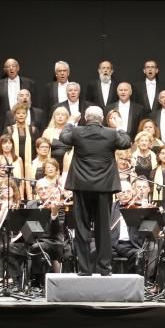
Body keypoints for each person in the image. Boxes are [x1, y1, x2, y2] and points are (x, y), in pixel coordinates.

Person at [59, 106, 132, 276]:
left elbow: (63, 137)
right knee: (103, 228)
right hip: (103, 188)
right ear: (102, 119)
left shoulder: (77, 132)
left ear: (85, 117)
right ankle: (104, 268)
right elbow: (126, 142)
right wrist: (120, 125)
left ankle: (84, 270)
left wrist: (71, 121)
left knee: (82, 228)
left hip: (81, 187)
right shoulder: (111, 134)